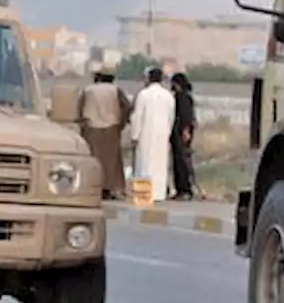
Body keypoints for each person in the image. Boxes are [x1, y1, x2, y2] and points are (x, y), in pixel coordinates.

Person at [77, 66, 132, 200]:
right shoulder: (116, 90)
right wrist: (121, 124)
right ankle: (110, 189)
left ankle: (92, 188)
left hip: (91, 129)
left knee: (93, 159)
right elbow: (127, 107)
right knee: (111, 162)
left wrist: (83, 125)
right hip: (111, 129)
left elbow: (79, 109)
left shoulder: (88, 90)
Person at [129, 66, 176, 202]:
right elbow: (171, 117)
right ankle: (159, 194)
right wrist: (168, 132)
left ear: (148, 78)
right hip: (162, 134)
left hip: (146, 133)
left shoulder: (144, 94)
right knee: (160, 165)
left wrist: (135, 135)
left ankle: (143, 194)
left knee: (145, 164)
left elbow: (138, 116)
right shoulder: (168, 96)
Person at [169, 72, 197, 200]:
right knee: (179, 160)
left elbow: (186, 115)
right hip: (181, 132)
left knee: (181, 161)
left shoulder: (182, 97)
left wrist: (185, 131)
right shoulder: (185, 96)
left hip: (181, 133)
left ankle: (184, 189)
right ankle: (181, 189)